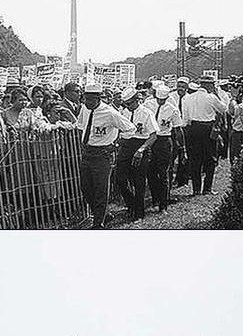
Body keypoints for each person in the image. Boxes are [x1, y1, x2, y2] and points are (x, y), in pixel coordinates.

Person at [77, 82, 136, 228]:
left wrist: (116, 143)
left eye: (91, 100)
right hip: (87, 152)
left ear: (99, 98)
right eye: (85, 99)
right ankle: (103, 213)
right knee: (86, 188)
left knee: (101, 189)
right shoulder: (85, 109)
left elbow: (130, 128)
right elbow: (80, 125)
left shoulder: (110, 113)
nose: (87, 102)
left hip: (103, 154)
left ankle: (99, 222)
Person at [116, 87, 159, 220]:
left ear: (136, 101)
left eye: (129, 104)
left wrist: (141, 150)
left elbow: (153, 135)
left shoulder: (146, 113)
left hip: (141, 145)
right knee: (120, 179)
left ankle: (139, 213)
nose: (127, 106)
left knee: (138, 181)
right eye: (125, 104)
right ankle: (131, 204)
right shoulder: (124, 113)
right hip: (126, 146)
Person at [182, 76, 227, 195]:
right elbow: (223, 109)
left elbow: (185, 118)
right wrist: (217, 94)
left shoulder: (188, 98)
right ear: (209, 85)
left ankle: (196, 189)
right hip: (207, 128)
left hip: (192, 128)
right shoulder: (211, 97)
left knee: (194, 159)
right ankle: (207, 188)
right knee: (210, 159)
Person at [146, 84, 183, 212]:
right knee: (150, 172)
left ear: (167, 98)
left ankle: (163, 204)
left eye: (163, 100)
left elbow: (178, 129)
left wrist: (181, 147)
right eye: (158, 99)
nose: (160, 102)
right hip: (151, 140)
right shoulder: (148, 105)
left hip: (164, 141)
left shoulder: (172, 109)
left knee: (163, 173)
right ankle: (155, 198)